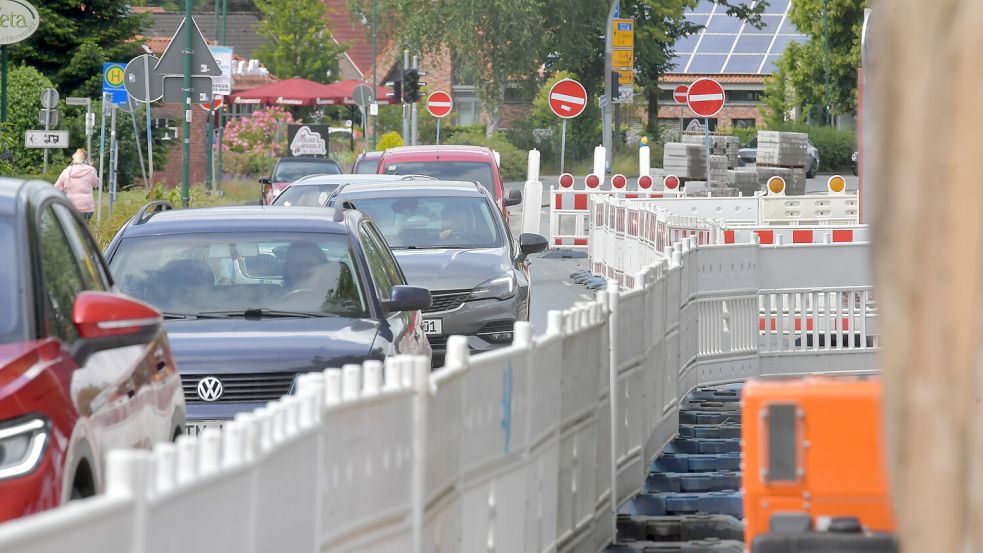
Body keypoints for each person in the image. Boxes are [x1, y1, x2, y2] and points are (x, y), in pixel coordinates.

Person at [54, 148, 98, 221]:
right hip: (86, 207)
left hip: (70, 206)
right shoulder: (91, 171)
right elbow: (96, 184)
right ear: (86, 159)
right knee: (83, 230)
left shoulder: (67, 171)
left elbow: (57, 188)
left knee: (71, 230)